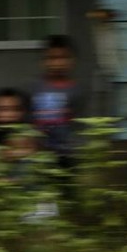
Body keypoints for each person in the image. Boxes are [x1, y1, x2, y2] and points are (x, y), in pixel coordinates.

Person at [30, 34, 83, 170]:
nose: (58, 63)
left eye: (63, 58)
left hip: (67, 155)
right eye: (52, 58)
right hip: (39, 154)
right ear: (44, 61)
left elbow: (79, 123)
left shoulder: (76, 90)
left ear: (72, 60)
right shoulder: (34, 88)